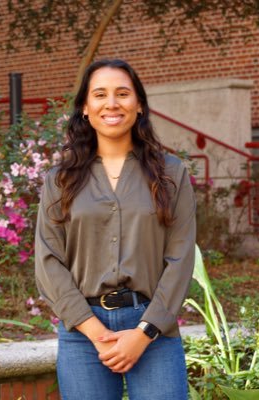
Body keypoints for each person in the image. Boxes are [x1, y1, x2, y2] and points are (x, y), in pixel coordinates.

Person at [35, 59, 196, 400]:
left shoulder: (171, 174)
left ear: (139, 106)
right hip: (82, 332)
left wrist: (144, 332)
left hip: (153, 330)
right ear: (84, 107)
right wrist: (94, 332)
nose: (112, 103)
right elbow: (48, 262)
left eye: (123, 93)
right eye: (100, 94)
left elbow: (180, 260)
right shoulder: (60, 181)